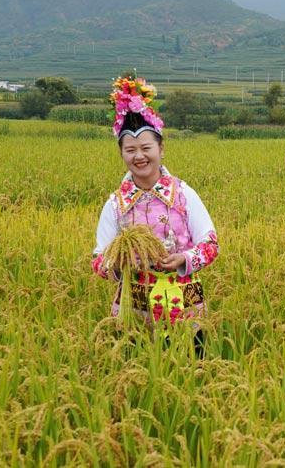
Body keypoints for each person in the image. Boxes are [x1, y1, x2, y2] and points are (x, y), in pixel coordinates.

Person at [91, 75, 219, 356]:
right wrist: (119, 263)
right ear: (122, 153)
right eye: (131, 150)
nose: (139, 156)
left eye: (146, 148)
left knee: (191, 373)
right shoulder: (116, 204)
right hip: (133, 308)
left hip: (184, 302)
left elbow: (211, 244)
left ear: (161, 149)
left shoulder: (184, 195)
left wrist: (184, 259)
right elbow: (98, 259)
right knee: (135, 379)